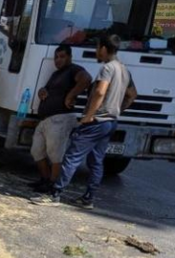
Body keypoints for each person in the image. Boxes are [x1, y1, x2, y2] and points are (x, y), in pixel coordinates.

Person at [32, 34, 137, 208]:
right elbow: (132, 95)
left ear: (103, 48)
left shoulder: (108, 68)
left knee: (72, 157)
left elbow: (100, 92)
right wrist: (116, 109)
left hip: (96, 121)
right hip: (110, 121)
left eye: (97, 48)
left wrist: (89, 116)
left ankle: (54, 194)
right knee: (96, 161)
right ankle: (88, 198)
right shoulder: (125, 70)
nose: (96, 52)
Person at [29, 45, 92, 193]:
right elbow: (47, 89)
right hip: (45, 119)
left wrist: (71, 96)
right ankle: (45, 180)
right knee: (36, 150)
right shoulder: (56, 74)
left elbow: (86, 79)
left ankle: (53, 185)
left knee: (55, 153)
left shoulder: (73, 70)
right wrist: (42, 91)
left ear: (69, 57)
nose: (58, 60)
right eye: (56, 57)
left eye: (62, 56)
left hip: (60, 118)